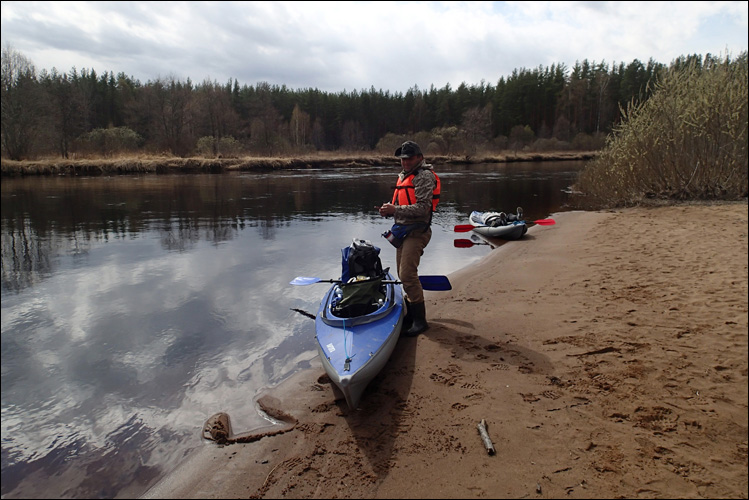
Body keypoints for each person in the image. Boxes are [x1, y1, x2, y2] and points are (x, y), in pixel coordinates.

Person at [375, 140, 441, 337]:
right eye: (403, 159)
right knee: (403, 275)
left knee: (407, 275)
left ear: (419, 158)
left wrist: (395, 209)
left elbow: (423, 208)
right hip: (402, 232)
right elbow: (403, 205)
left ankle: (420, 321)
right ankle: (411, 316)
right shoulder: (405, 176)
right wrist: (388, 211)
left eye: (409, 158)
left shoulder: (423, 177)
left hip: (417, 232)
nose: (405, 162)